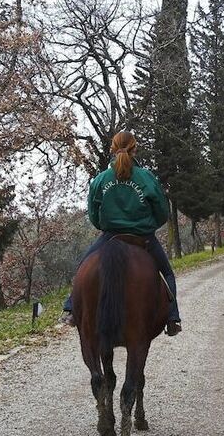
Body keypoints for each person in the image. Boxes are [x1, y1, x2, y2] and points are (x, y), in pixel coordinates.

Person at [61, 131, 182, 336]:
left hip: (110, 237)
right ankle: (172, 318)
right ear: (135, 149)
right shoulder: (146, 177)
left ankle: (71, 307)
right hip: (144, 238)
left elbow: (93, 215)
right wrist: (148, 225)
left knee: (83, 265)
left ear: (112, 149)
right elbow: (162, 212)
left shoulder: (101, 179)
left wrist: (106, 226)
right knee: (167, 273)